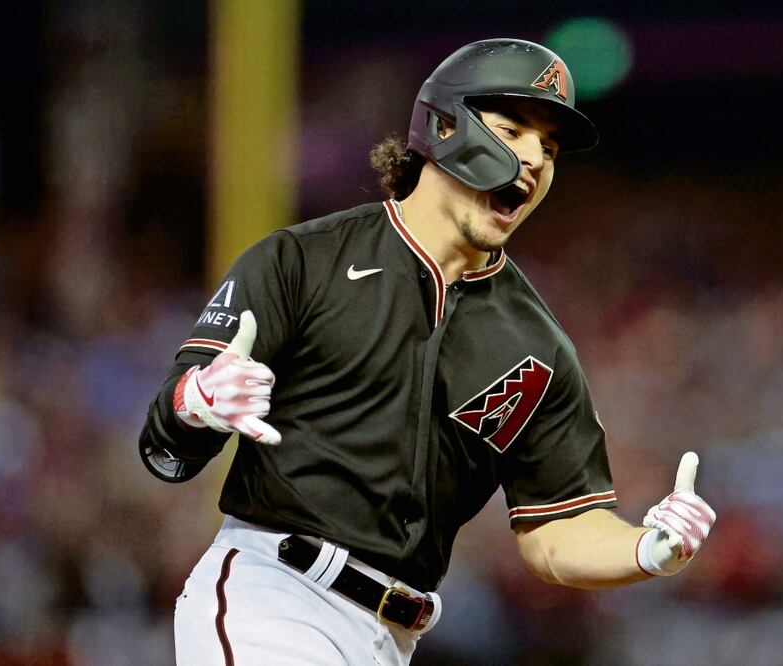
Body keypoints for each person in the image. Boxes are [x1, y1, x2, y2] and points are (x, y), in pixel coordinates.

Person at [139, 38, 716, 665]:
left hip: (392, 638)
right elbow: (165, 449)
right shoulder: (304, 261)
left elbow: (556, 530)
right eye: (511, 131)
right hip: (274, 595)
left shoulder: (536, 345)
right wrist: (196, 400)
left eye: (548, 149)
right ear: (443, 127)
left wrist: (646, 550)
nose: (532, 159)